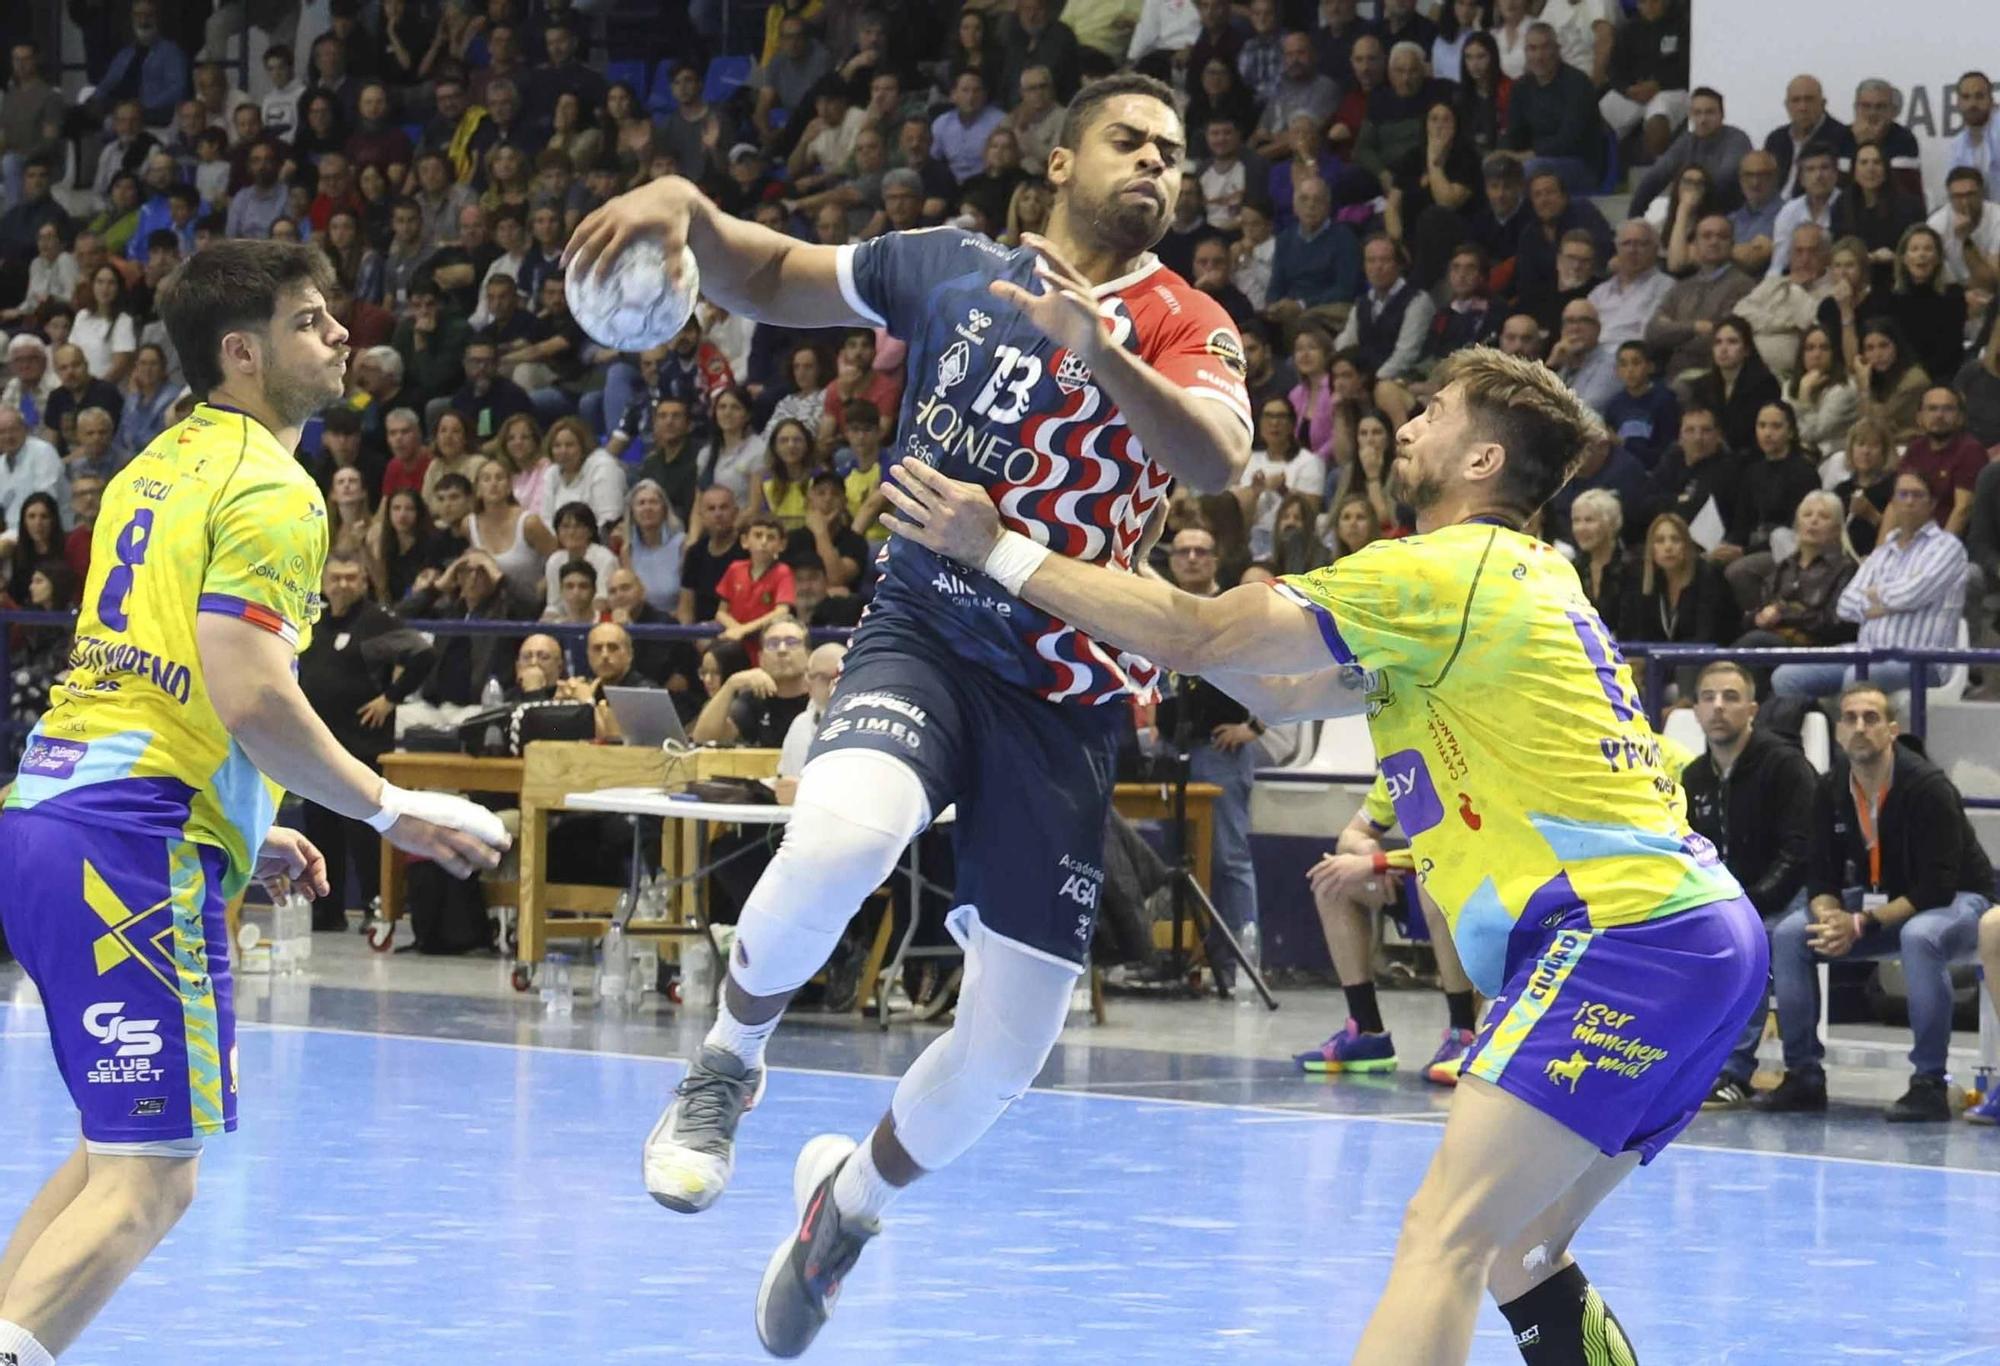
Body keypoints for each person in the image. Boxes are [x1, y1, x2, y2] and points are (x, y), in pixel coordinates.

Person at [880, 345, 1761, 1366]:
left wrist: (1002, 551)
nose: (1405, 424)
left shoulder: (1438, 572)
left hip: (1625, 936)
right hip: (1696, 939)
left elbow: (1205, 638)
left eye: (1429, 409)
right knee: (1517, 1248)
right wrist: (1142, 600)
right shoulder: (1523, 575)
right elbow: (1280, 686)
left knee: (1442, 1235)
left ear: (1481, 458)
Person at [569, 72, 1253, 1356]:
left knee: (1008, 1043)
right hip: (925, 630)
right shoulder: (947, 264)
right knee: (841, 834)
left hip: (1066, 694)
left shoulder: (1182, 318)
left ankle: (846, 1208)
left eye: (1174, 151)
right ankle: (723, 1064)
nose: (1158, 163)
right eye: (1129, 141)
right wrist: (688, 208)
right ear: (1059, 162)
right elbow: (772, 275)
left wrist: (1104, 349)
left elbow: (1213, 457)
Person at [0, 241, 507, 1366]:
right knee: (151, 1185)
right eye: (311, 319)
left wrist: (241, 820)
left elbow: (149, 668)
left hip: (53, 816)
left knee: (111, 1158)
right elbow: (249, 693)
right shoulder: (277, 490)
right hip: (131, 846)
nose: (338, 335)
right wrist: (387, 809)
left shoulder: (152, 466)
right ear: (243, 352)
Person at [1756, 683, 1994, 1122]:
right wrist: (1831, 917)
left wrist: (1861, 922)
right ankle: (1803, 1073)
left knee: (1921, 937)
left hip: (1961, 900)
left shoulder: (1926, 786)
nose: (1860, 727)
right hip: (1877, 900)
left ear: (1891, 730)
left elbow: (1936, 887)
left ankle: (1928, 1082)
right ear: (1839, 733)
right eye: (1849, 718)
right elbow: (1820, 875)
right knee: (1792, 933)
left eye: (1870, 718)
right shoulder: (1829, 789)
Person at [1679, 661, 1821, 1110]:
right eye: (1708, 697)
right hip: (1730, 900)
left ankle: (1790, 1071)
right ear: (1697, 710)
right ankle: (1697, 1066)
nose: (1718, 707)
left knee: (1765, 938)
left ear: (1753, 709)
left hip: (1788, 894)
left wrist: (1750, 905)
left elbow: (1799, 851)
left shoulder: (1785, 766)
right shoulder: (1694, 778)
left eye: (1731, 697)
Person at [1293, 769, 1481, 1086]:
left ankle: (1463, 1035)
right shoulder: (1403, 766)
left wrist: (1379, 864)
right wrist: (1369, 851)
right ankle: (1365, 1032)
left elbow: (1453, 848)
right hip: (1417, 876)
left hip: (1483, 895)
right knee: (1332, 880)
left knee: (1430, 882)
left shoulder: (1462, 758)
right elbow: (1350, 836)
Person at [295, 550, 439, 930]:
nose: (343, 585)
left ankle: (378, 908)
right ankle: (327, 911)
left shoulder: (374, 622)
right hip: (317, 747)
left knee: (364, 829)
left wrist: (390, 697)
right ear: (323, 583)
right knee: (321, 827)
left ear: (363, 582)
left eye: (351, 578)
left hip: (361, 746)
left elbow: (423, 654)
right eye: (336, 578)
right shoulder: (315, 621)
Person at [1771, 472, 1967, 699]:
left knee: (1858, 677)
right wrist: (1888, 600)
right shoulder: (1883, 552)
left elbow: (1912, 594)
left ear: (1932, 503)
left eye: (1917, 495)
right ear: (1893, 502)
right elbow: (1845, 605)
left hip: (1920, 659)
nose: (1909, 501)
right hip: (1866, 652)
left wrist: (1878, 596)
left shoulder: (1948, 548)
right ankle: (1825, 732)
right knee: (1787, 676)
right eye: (1903, 494)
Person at [689, 616, 814, 746]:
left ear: (809, 654)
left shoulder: (822, 699)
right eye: (772, 644)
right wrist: (731, 684)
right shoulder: (754, 699)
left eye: (791, 642)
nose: (782, 650)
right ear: (761, 658)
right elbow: (703, 739)